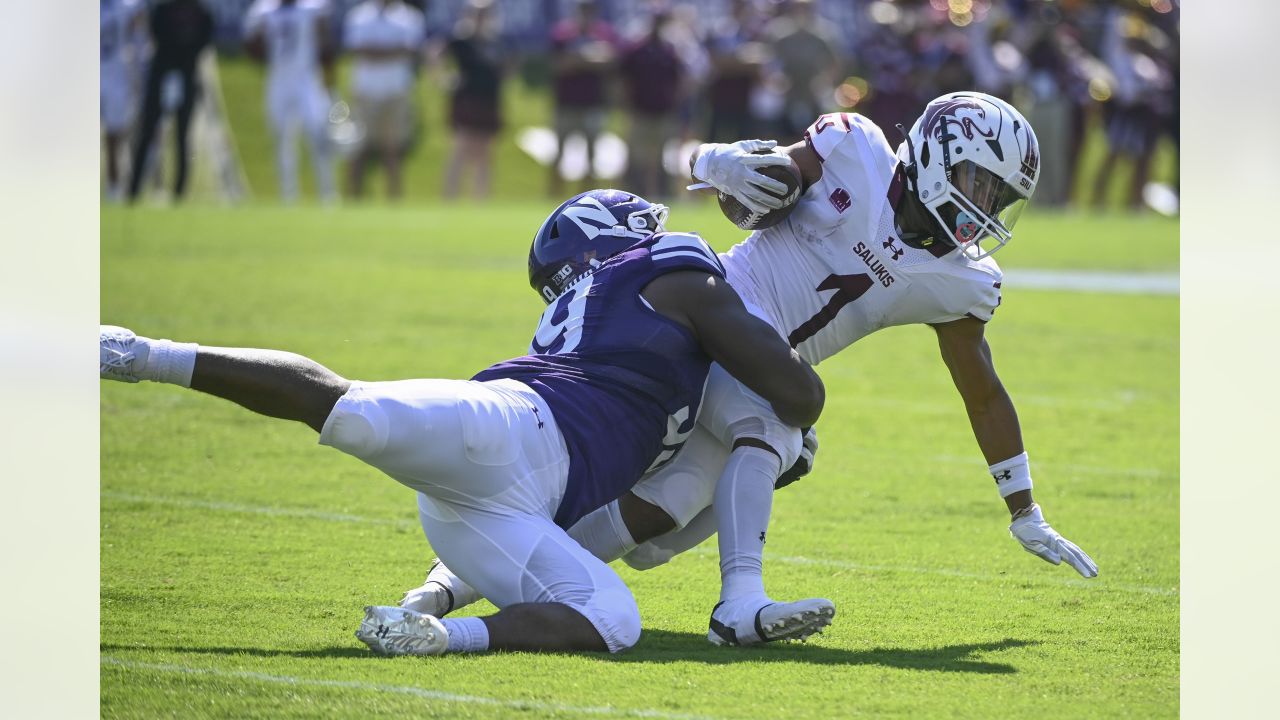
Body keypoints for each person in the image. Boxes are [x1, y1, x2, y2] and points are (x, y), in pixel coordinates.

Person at [416, 93, 1098, 645]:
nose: (986, 207)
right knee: (778, 426)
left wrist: (1024, 507)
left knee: (660, 514)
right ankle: (739, 604)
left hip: (761, 369)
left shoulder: (964, 282)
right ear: (940, 154)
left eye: (1000, 195)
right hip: (712, 317)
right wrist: (724, 165)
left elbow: (981, 391)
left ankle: (449, 585)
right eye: (982, 182)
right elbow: (750, 193)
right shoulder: (853, 150)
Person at [99, 189, 829, 656]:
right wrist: (783, 418)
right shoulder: (667, 273)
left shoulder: (608, 301)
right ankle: (134, 352)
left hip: (490, 513)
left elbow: (646, 521)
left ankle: (434, 633)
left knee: (614, 620)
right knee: (349, 409)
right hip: (512, 429)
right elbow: (800, 396)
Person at [244, 0, 338, 203]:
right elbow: (251, 44)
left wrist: (329, 78)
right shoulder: (264, 10)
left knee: (317, 136)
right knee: (281, 139)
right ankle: (288, 196)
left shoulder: (312, 8)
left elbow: (325, 43)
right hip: (278, 79)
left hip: (307, 79)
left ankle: (328, 194)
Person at [126, 0, 213, 204]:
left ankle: (179, 193)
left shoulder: (201, 13)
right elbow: (157, 35)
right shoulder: (162, 10)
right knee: (147, 132)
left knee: (182, 135)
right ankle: (133, 190)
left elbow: (204, 42)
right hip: (162, 74)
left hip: (186, 75)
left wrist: (184, 57)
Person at [342, 0, 425, 200]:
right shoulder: (359, 15)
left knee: (393, 148)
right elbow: (358, 49)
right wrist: (393, 50)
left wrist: (376, 51)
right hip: (365, 90)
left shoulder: (409, 17)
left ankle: (394, 200)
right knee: (357, 148)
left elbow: (411, 50)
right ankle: (353, 198)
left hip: (396, 90)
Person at [547, 0, 617, 197]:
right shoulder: (562, 34)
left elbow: (610, 61)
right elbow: (557, 65)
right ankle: (554, 197)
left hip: (593, 104)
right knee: (559, 153)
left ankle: (587, 198)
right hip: (566, 104)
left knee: (592, 156)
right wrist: (585, 58)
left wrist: (584, 59)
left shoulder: (604, 34)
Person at [439, 0, 506, 199]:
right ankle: (449, 199)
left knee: (485, 152)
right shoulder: (461, 41)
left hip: (489, 100)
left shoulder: (496, 42)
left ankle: (480, 200)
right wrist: (445, 78)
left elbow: (507, 68)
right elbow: (435, 54)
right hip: (467, 99)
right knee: (461, 148)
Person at [617, 10, 684, 200]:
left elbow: (678, 80)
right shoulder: (636, 50)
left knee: (663, 157)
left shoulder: (669, 50)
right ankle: (631, 194)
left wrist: (675, 105)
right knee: (637, 157)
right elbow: (623, 80)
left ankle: (662, 194)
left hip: (663, 112)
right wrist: (626, 106)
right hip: (640, 111)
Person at [101, 0, 149, 202]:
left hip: (115, 74)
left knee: (114, 137)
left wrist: (138, 71)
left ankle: (113, 189)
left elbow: (138, 39)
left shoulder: (128, 7)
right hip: (106, 74)